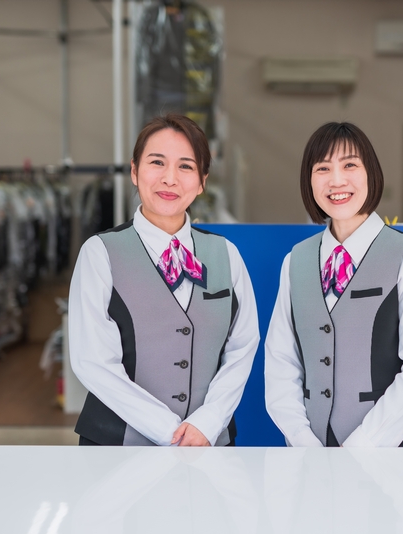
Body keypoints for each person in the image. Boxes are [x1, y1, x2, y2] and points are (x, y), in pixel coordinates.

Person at [69, 114, 260, 446]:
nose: (169, 178)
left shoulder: (226, 254)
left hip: (207, 446)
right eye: (157, 162)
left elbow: (242, 346)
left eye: (186, 167)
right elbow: (93, 361)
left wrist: (209, 421)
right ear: (134, 171)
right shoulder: (100, 253)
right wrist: (169, 431)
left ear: (202, 181)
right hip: (116, 450)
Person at [264, 122, 403, 447]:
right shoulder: (296, 261)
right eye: (322, 168)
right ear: (309, 181)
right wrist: (302, 439)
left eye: (349, 165)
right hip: (311, 454)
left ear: (370, 173)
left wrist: (360, 447)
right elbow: (281, 361)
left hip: (388, 455)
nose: (336, 180)